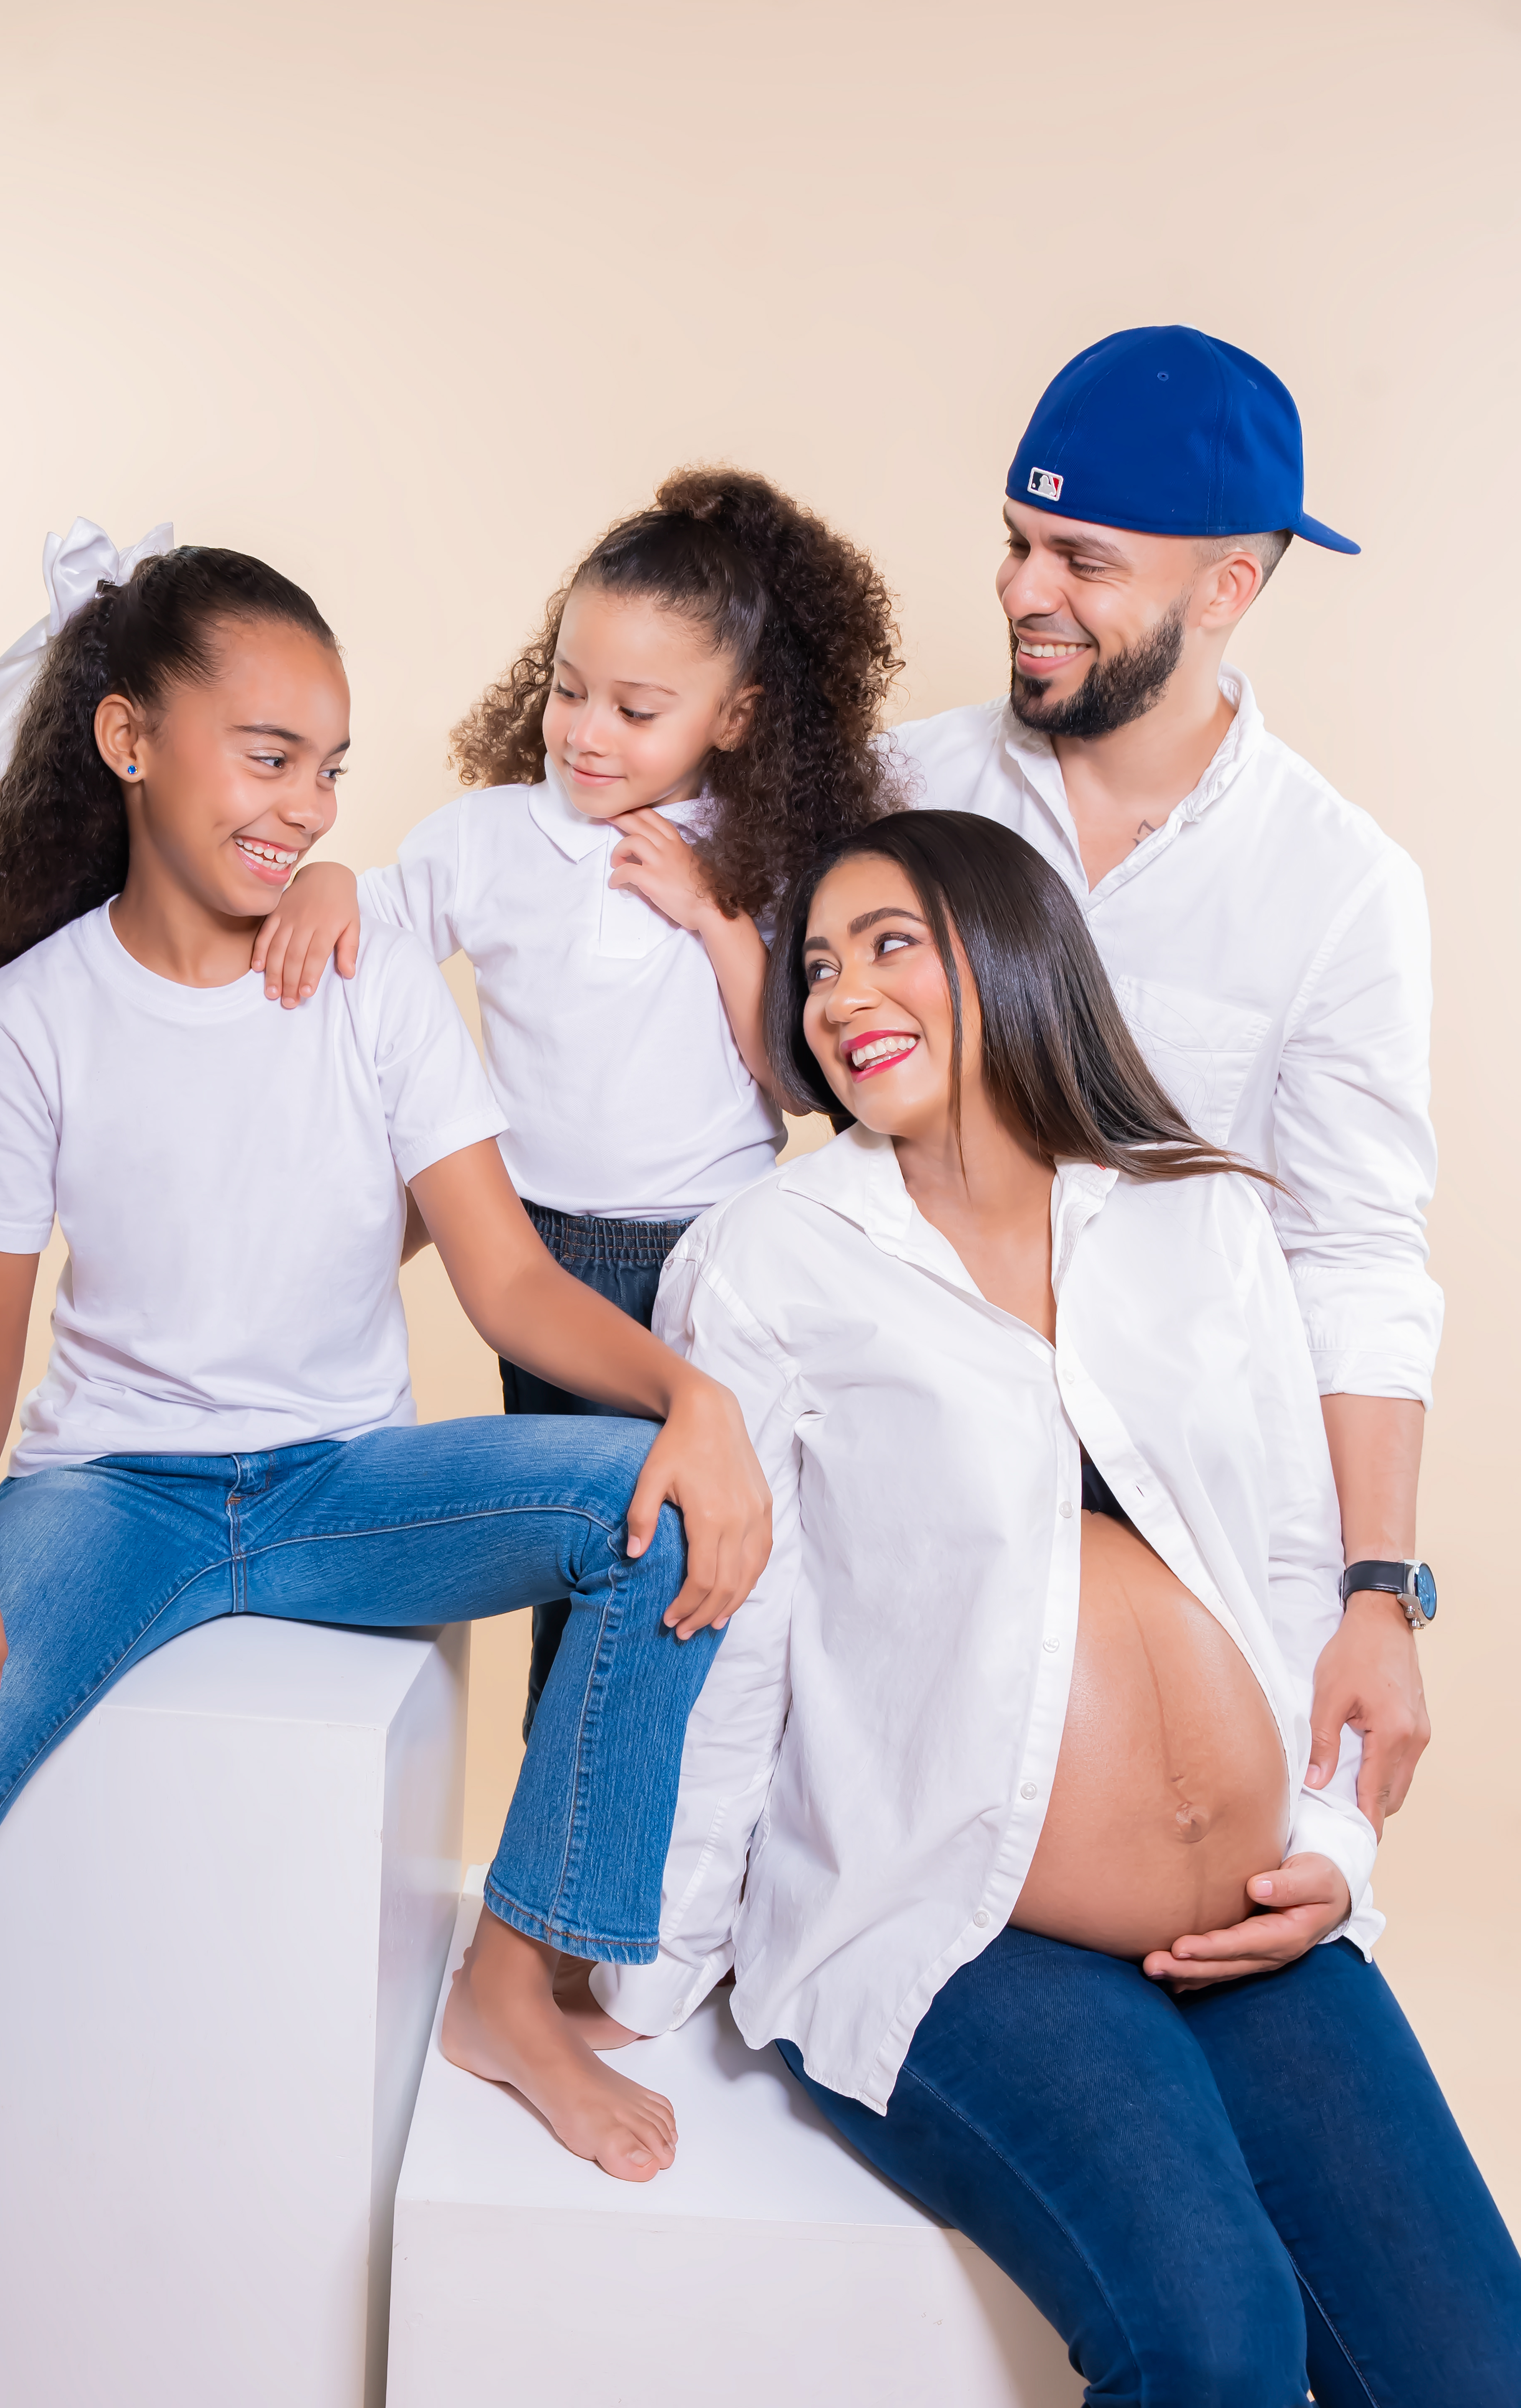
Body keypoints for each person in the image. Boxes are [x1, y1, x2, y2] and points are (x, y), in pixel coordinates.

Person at [571, 812, 1521, 2402]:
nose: (841, 995)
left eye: (891, 945)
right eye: (818, 967)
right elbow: (739, 1630)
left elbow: (1296, 1570)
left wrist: (1336, 1853)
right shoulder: (770, 1259)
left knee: (1474, 2364)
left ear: (1014, 953)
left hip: (1252, 1918)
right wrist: (646, 1967)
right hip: (959, 1925)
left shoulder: (1197, 1214)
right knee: (1213, 2339)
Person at [0, 529, 773, 2185]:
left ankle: (512, 1984)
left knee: (661, 1514)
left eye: (329, 770)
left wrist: (694, 1397)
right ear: (129, 740)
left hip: (348, 1485)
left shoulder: (372, 990)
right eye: (269, 757)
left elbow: (506, 1280)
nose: (306, 808)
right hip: (112, 1492)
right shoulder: (32, 1020)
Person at [245, 467, 901, 1730]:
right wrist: (325, 882)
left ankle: (677, 1806)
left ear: (735, 716)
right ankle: (565, 1800)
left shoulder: (762, 858)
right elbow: (376, 919)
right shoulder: (492, 839)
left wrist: (713, 916)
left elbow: (798, 1082)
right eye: (568, 689)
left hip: (715, 1252)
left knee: (702, 1558)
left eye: (638, 711)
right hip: (538, 1256)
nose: (588, 734)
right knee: (585, 1553)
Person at [893, 327, 1440, 1831]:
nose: (1022, 591)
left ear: (1226, 590)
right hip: (907, 1471)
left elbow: (1355, 1250)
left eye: (1082, 560)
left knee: (1262, 1897)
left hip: (1185, 1499)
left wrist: (1378, 1595)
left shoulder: (1339, 885)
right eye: (1017, 542)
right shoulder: (899, 791)